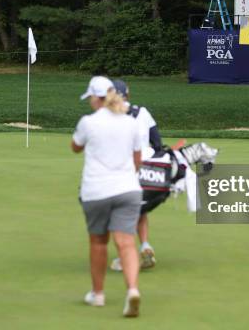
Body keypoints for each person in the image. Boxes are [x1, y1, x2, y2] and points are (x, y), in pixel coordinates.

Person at [71, 76, 143, 318]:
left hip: (97, 191)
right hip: (128, 189)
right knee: (126, 243)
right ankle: (132, 290)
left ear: (95, 97)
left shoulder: (88, 122)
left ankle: (98, 294)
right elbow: (137, 159)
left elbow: (75, 146)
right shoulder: (131, 122)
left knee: (99, 242)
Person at [109, 79, 162, 271]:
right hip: (148, 169)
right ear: (128, 95)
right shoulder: (143, 112)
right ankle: (145, 245)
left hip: (123, 170)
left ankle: (126, 257)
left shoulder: (108, 116)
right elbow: (157, 143)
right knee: (140, 208)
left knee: (121, 212)